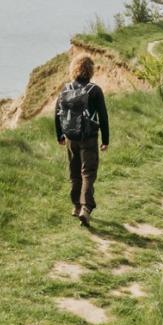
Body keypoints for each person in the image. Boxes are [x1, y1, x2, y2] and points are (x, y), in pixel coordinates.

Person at [55, 55, 110, 227]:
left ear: (74, 69)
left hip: (71, 137)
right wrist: (106, 139)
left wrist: (60, 135)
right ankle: (86, 208)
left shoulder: (66, 88)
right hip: (89, 138)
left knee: (74, 172)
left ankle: (76, 206)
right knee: (88, 173)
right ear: (91, 70)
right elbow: (103, 116)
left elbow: (57, 113)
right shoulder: (95, 90)